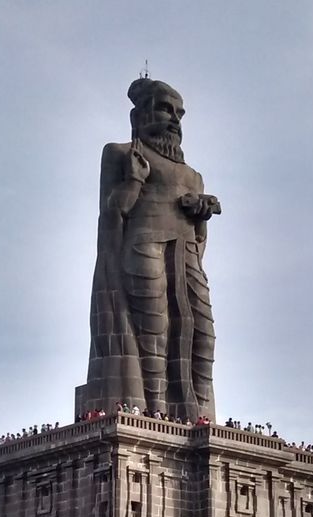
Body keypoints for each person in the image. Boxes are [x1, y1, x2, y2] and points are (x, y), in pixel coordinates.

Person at [83, 77, 220, 423]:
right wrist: (134, 180)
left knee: (202, 335)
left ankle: (196, 413)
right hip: (144, 247)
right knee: (152, 334)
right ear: (139, 115)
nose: (174, 119)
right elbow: (112, 212)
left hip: (186, 255)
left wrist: (201, 215)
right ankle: (155, 412)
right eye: (165, 109)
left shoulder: (193, 176)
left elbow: (200, 237)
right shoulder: (120, 153)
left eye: (179, 113)